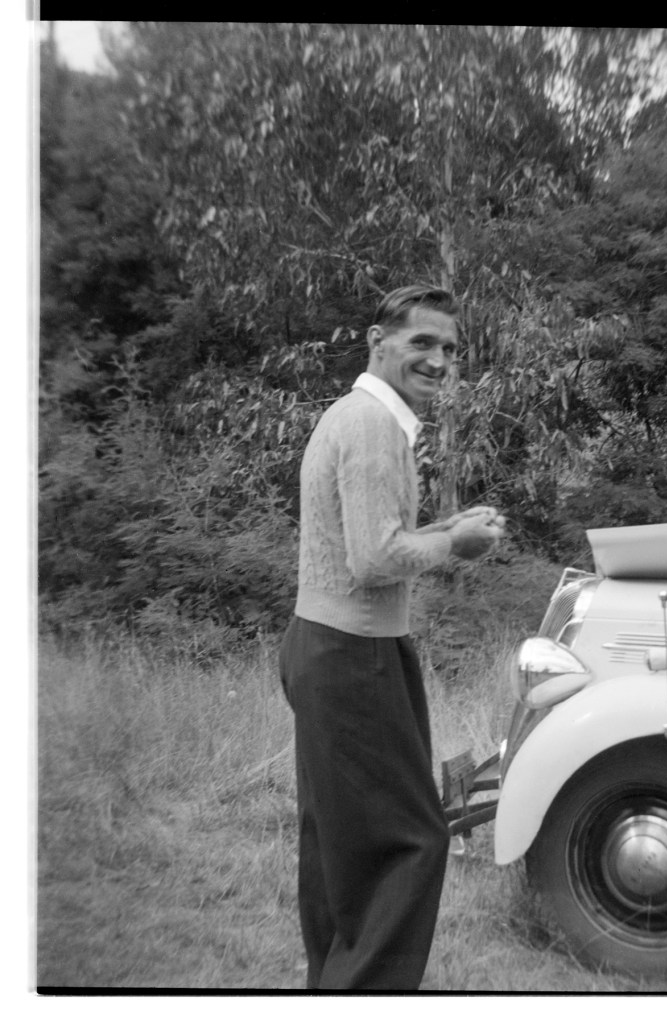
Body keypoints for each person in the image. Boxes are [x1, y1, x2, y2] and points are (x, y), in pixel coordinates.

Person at [278, 284, 505, 990]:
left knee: (338, 841)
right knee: (414, 840)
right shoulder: (375, 424)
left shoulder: (358, 415)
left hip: (327, 647)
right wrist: (457, 546)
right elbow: (373, 561)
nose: (439, 361)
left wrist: (445, 526)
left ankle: (334, 982)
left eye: (450, 350)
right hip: (355, 657)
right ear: (379, 341)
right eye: (423, 344)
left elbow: (373, 541)